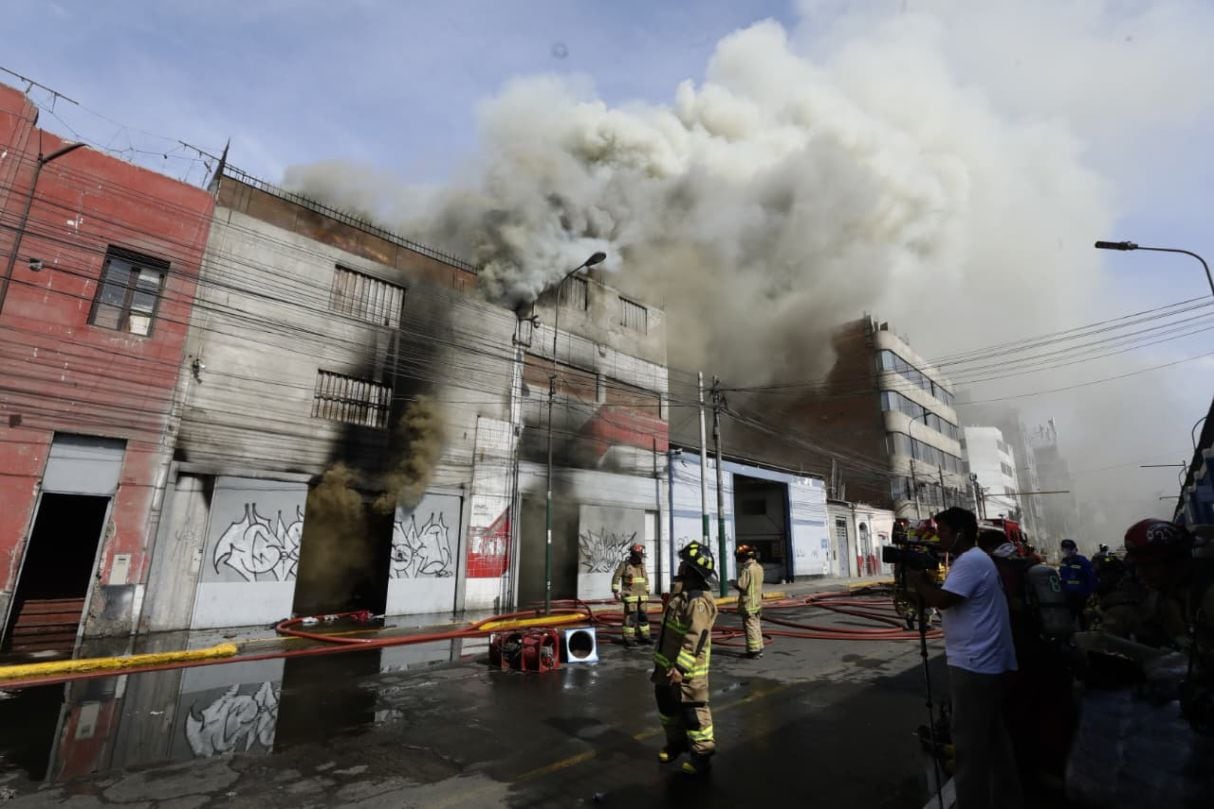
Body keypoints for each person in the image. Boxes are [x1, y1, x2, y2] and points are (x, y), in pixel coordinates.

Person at [908, 507, 1021, 809]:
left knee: (968, 746)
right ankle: (1007, 798)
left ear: (960, 532)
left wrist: (918, 581)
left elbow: (943, 600)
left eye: (943, 530)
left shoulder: (970, 561)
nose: (939, 536)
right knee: (995, 738)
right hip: (988, 662)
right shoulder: (975, 560)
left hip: (975, 664)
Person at [652, 541, 719, 775]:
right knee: (667, 707)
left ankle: (702, 755)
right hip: (666, 668)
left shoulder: (697, 601)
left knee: (693, 712)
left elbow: (696, 637)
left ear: (691, 570)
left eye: (684, 563)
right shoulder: (682, 595)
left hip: (688, 671)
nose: (680, 566)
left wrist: (681, 666)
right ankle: (676, 744)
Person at [612, 543, 651, 647]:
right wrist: (615, 591)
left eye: (640, 554)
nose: (639, 557)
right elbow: (616, 577)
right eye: (637, 554)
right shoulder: (624, 565)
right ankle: (628, 638)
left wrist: (647, 591)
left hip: (642, 596)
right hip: (630, 596)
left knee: (643, 617)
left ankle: (645, 636)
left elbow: (645, 579)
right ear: (632, 554)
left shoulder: (642, 565)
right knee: (631, 618)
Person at [733, 544, 764, 659]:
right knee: (756, 625)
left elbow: (742, 585)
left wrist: (733, 583)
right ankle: (759, 647)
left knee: (750, 627)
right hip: (757, 602)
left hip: (748, 603)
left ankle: (753, 651)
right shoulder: (759, 567)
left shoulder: (747, 569)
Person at [1058, 539, 1096, 629]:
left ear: (1075, 549)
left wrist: (1090, 593)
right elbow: (1063, 577)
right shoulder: (1064, 562)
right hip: (1069, 595)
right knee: (1070, 618)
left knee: (1083, 618)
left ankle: (1085, 635)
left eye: (1070, 549)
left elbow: (1091, 577)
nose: (1067, 551)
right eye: (1065, 549)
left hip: (1081, 596)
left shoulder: (1082, 561)